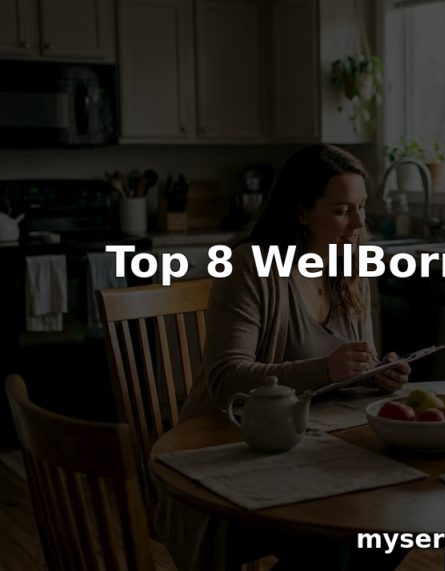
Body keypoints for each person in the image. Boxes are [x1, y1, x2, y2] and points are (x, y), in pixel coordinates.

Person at [156, 144, 411, 571]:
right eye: (342, 210)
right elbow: (225, 378)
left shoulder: (351, 266)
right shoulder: (250, 268)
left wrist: (375, 373)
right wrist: (325, 369)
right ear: (299, 212)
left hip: (315, 457)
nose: (359, 224)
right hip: (232, 458)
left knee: (395, 519)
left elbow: (349, 370)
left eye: (362, 207)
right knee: (331, 535)